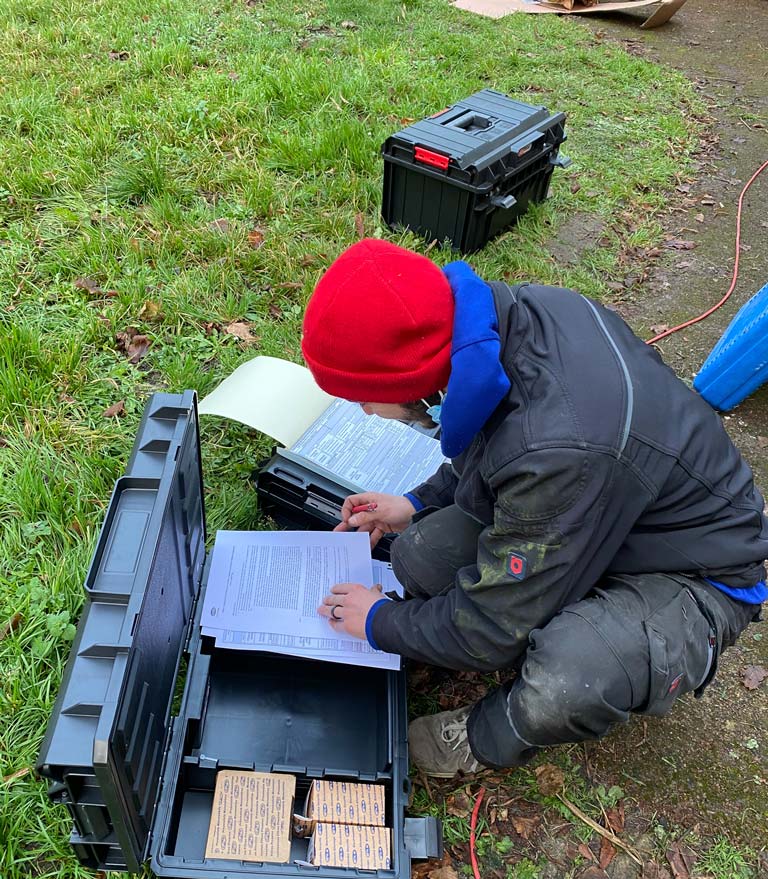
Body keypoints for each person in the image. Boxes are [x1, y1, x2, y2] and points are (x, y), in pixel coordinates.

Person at [300, 238, 768, 778]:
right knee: (422, 554)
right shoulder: (503, 320)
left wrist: (380, 620)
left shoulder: (557, 448)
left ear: (410, 380)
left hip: (695, 569)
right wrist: (415, 502)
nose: (361, 409)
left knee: (569, 675)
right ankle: (556, 598)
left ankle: (488, 735)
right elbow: (493, 435)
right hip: (604, 506)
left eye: (360, 395)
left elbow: (488, 630)